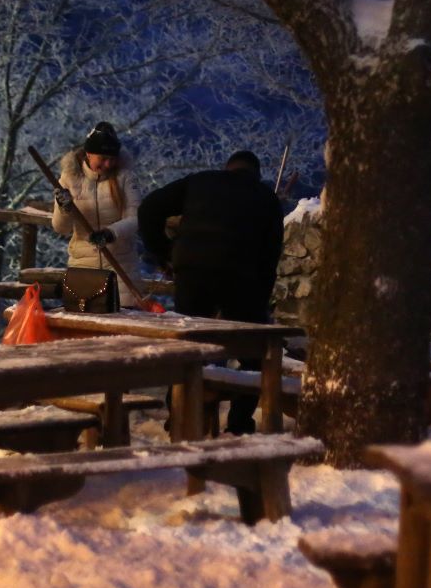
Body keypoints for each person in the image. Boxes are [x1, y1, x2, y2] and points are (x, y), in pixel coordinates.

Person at [138, 150, 285, 434]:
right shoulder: (266, 197)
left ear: (227, 168)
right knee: (252, 353)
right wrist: (261, 304)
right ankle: (240, 422)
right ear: (256, 174)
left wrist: (164, 252)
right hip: (243, 277)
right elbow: (270, 256)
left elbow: (148, 209)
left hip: (194, 271)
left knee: (189, 344)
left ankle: (178, 413)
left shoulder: (200, 181)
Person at [51, 122, 143, 309]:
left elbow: (136, 217)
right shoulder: (69, 178)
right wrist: (64, 208)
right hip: (83, 268)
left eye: (112, 158)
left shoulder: (125, 176)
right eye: (102, 158)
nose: (108, 164)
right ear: (88, 154)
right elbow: (61, 228)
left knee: (123, 332)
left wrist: (110, 233)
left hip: (122, 268)